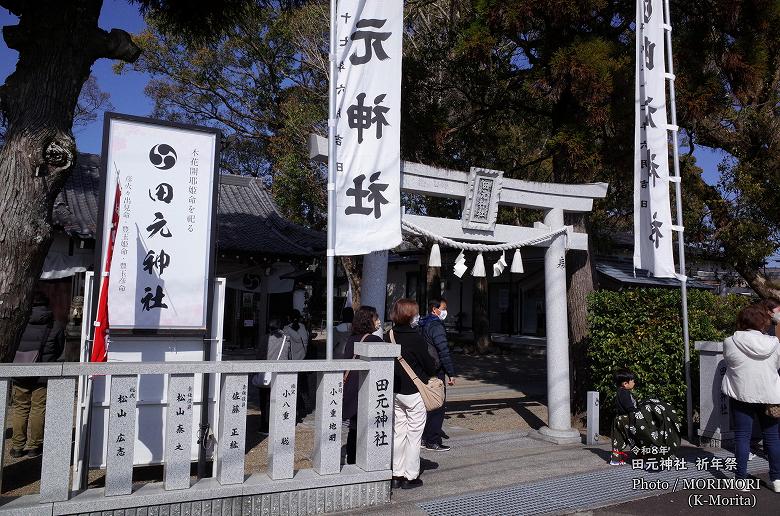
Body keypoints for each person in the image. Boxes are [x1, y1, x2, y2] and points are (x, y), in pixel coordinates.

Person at [721, 304, 780, 491]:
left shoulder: (730, 341)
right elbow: (777, 365)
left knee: (742, 437)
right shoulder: (774, 343)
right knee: (772, 437)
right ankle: (777, 480)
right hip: (769, 395)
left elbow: (730, 362)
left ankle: (740, 479)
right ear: (764, 322)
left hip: (741, 394)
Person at [386, 298, 437, 489]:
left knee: (398, 432)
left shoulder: (388, 335)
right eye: (415, 313)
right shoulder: (415, 337)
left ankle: (396, 474)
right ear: (410, 315)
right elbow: (429, 365)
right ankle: (411, 476)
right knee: (414, 435)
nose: (417, 316)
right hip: (415, 391)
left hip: (395, 390)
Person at [10, 293, 65, 458]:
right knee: (38, 408)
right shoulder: (55, 325)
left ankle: (17, 446)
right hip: (42, 372)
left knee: (20, 408)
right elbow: (59, 348)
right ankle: (35, 446)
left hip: (20, 370)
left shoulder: (19, 324)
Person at [609, 369, 681, 466]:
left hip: (619, 419)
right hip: (627, 419)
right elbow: (630, 407)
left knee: (619, 440)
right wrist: (638, 415)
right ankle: (644, 455)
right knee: (638, 438)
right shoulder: (625, 393)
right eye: (633, 381)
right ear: (625, 383)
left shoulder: (620, 392)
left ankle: (616, 459)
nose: (634, 382)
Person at [342, 306, 383, 464]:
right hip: (366, 391)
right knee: (367, 428)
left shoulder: (352, 338)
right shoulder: (374, 341)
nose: (378, 321)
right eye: (375, 318)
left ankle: (352, 460)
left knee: (354, 429)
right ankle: (366, 461)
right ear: (368, 321)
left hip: (351, 389)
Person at [419, 297, 455, 451]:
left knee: (426, 404)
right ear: (435, 309)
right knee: (437, 405)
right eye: (443, 308)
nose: (445, 311)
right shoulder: (436, 326)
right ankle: (433, 440)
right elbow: (443, 351)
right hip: (436, 370)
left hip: (424, 368)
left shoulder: (422, 323)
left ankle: (424, 437)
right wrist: (450, 372)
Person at [255, 318, 290, 435]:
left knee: (264, 401)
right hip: (280, 374)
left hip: (265, 373)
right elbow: (288, 356)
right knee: (277, 400)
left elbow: (259, 356)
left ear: (269, 328)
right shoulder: (286, 339)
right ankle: (277, 424)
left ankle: (264, 426)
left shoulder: (265, 338)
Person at [284, 310, 310, 418]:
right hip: (303, 361)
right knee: (302, 386)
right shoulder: (304, 329)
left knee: (292, 386)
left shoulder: (287, 329)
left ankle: (295, 408)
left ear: (289, 318)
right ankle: (303, 408)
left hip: (291, 362)